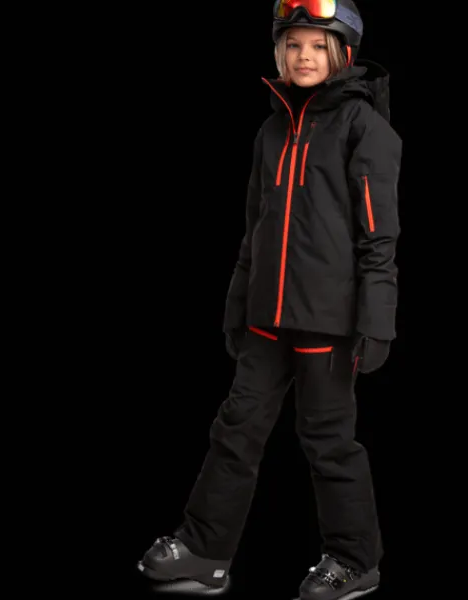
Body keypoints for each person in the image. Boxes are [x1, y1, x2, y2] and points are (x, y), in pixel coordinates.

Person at [137, 1, 402, 598]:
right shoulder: (272, 130)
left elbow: (378, 236)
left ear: (343, 54)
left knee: (327, 441)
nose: (304, 56)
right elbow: (255, 228)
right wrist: (238, 304)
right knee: (235, 430)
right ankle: (205, 551)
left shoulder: (365, 128)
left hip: (328, 324)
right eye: (293, 45)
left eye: (318, 45)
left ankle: (354, 560)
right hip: (265, 319)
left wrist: (377, 322)